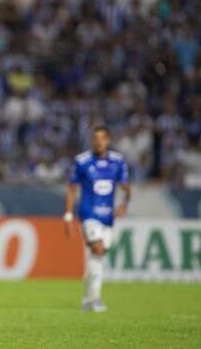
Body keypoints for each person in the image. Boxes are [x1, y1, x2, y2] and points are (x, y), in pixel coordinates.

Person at [63, 125, 132, 312]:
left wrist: (124, 204)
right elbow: (72, 189)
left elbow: (125, 186)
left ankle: (87, 299)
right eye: (95, 138)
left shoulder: (118, 162)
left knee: (97, 256)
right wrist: (68, 216)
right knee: (98, 249)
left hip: (107, 216)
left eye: (102, 138)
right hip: (88, 214)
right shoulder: (82, 161)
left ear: (108, 140)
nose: (98, 142)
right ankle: (95, 300)